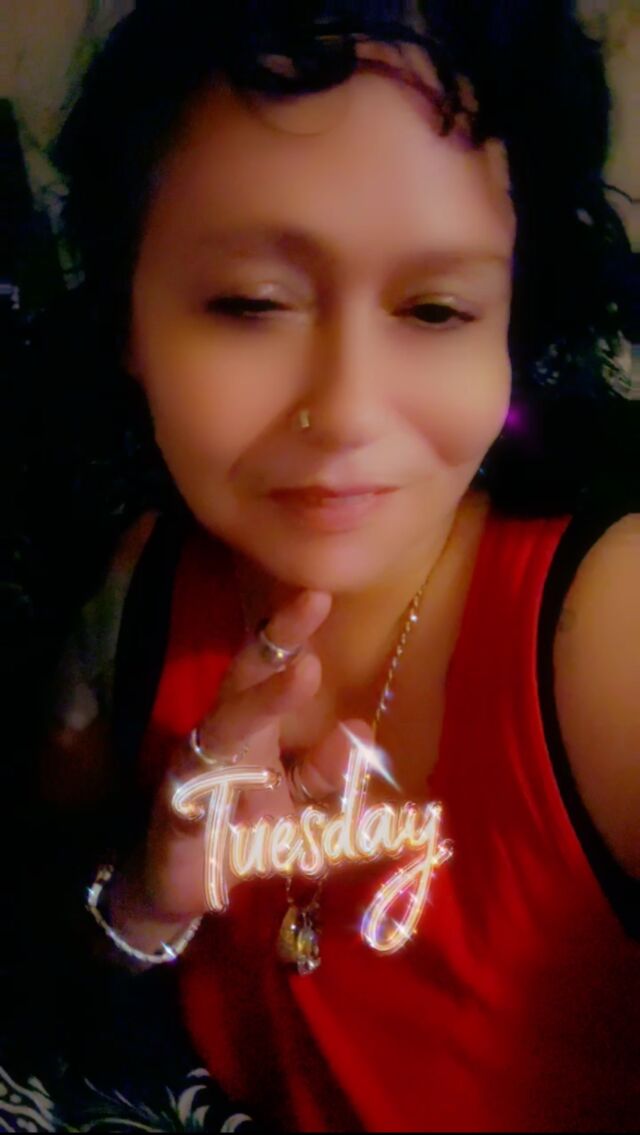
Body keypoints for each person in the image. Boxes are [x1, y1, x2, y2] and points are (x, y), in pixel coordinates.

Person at [3, 1, 638, 1131]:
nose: (344, 411)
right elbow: (57, 953)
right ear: (130, 320)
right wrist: (146, 900)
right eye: (253, 304)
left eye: (435, 310)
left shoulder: (607, 630)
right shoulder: (136, 592)